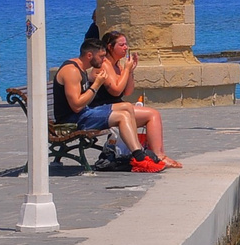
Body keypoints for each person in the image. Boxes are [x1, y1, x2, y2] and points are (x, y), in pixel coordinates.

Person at [55, 40, 166, 173]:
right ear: (89, 55)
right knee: (122, 116)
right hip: (72, 120)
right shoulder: (72, 71)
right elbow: (77, 106)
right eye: (101, 56)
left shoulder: (81, 68)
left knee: (126, 107)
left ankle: (134, 152)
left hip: (83, 113)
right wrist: (97, 84)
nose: (103, 60)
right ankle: (140, 158)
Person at [91, 30, 178, 168]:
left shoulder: (117, 65)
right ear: (110, 46)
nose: (126, 47)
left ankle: (158, 155)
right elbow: (116, 91)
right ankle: (158, 156)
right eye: (121, 45)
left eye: (126, 44)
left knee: (152, 114)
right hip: (103, 110)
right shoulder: (105, 64)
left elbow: (128, 91)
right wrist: (126, 69)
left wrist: (130, 71)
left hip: (117, 107)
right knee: (152, 114)